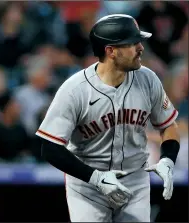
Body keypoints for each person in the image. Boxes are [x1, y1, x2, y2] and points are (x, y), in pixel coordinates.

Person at [35, 14, 180, 222]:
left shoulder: (148, 79)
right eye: (132, 43)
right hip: (88, 185)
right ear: (111, 51)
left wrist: (168, 159)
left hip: (135, 180)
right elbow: (49, 147)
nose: (141, 48)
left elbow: (168, 126)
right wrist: (96, 178)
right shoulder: (75, 90)